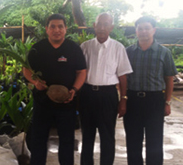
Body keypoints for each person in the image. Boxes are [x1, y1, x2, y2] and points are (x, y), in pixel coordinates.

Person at [23, 13, 87, 165]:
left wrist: (74, 90)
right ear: (47, 29)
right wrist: (35, 82)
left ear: (65, 29)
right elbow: (26, 70)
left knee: (67, 142)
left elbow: (81, 72)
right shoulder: (37, 49)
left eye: (60, 26)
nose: (56, 30)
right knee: (38, 141)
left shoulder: (74, 49)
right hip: (42, 103)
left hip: (67, 103)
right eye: (53, 26)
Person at [79, 13, 133, 165]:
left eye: (106, 24)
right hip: (87, 94)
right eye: (99, 24)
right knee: (87, 136)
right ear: (94, 26)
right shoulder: (85, 47)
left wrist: (123, 100)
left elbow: (123, 77)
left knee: (107, 136)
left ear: (111, 27)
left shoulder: (118, 48)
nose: (102, 27)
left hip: (108, 95)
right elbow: (78, 73)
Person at [123, 16, 177, 165]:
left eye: (147, 28)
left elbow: (169, 78)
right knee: (133, 140)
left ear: (154, 30)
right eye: (140, 28)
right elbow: (123, 78)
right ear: (136, 31)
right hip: (133, 100)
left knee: (154, 141)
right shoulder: (128, 52)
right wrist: (124, 99)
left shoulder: (164, 52)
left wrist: (167, 102)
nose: (143, 32)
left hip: (155, 101)